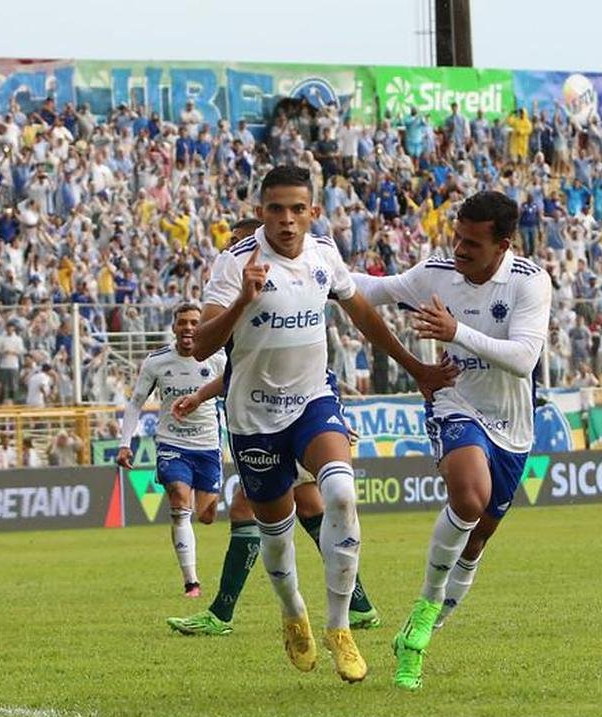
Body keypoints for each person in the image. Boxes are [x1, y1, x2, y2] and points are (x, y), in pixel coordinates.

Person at [195, 165, 455, 683]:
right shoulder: (234, 264)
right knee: (275, 531)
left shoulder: (324, 255)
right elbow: (200, 345)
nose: (287, 220)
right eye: (275, 209)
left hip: (313, 399)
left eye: (297, 209)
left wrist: (417, 368)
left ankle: (340, 627)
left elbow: (364, 317)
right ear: (261, 212)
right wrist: (244, 301)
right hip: (254, 416)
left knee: (340, 492)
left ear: (313, 211)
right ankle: (293, 610)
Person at [349, 191, 551, 690]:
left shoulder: (529, 283)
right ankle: (422, 611)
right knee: (468, 494)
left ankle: (421, 632)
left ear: (503, 245)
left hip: (512, 424)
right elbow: (370, 290)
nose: (459, 250)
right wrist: (316, 271)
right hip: (454, 401)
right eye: (456, 237)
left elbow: (525, 359)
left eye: (472, 244)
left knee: (479, 536)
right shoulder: (435, 273)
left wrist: (456, 330)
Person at [165, 218, 381, 636]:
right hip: (265, 413)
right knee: (313, 508)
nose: (231, 253)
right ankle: (360, 605)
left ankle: (224, 612)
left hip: (290, 413)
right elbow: (243, 366)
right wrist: (200, 396)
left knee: (254, 507)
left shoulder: (284, 276)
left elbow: (293, 357)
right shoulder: (241, 289)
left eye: (237, 244)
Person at [117, 303, 227, 597]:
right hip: (171, 442)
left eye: (194, 322)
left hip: (208, 445)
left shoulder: (217, 358)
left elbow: (232, 393)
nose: (188, 328)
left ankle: (192, 532)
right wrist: (125, 443)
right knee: (179, 500)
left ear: (201, 326)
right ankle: (191, 582)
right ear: (174, 327)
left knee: (206, 515)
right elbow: (135, 402)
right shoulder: (156, 362)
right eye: (183, 323)